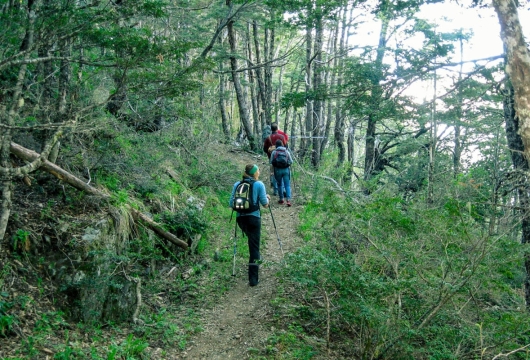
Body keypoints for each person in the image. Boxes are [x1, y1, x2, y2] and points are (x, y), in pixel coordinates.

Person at [229, 164, 270, 286]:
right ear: (254, 173)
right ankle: (253, 279)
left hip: (241, 219)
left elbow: (231, 203)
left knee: (252, 242)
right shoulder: (259, 184)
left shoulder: (237, 185)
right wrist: (268, 198)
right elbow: (265, 204)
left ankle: (256, 259)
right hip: (253, 218)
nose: (259, 172)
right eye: (258, 170)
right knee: (254, 248)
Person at [262, 123, 286, 195]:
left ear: (271, 129)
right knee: (283, 173)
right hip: (282, 158)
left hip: (272, 159)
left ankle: (275, 191)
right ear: (277, 128)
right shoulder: (282, 137)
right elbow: (286, 147)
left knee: (273, 173)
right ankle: (283, 189)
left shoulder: (268, 138)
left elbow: (265, 149)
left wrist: (270, 153)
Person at [270, 139, 293, 207]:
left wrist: (272, 171)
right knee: (287, 185)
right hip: (286, 170)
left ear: (276, 145)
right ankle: (288, 200)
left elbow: (271, 163)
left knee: (279, 185)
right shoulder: (286, 152)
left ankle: (281, 199)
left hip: (277, 170)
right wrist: (287, 164)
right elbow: (291, 161)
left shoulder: (274, 152)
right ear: (282, 144)